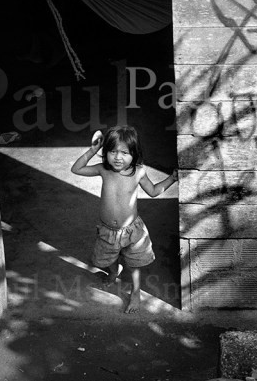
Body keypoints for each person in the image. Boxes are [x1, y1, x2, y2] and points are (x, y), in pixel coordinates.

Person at [71, 125, 178, 314]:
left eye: (124, 152)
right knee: (104, 259)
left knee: (135, 263)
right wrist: (93, 149)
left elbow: (153, 192)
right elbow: (76, 169)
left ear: (134, 154)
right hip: (107, 230)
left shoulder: (139, 172)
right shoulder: (104, 170)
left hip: (132, 230)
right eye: (112, 151)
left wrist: (172, 178)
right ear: (106, 152)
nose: (117, 157)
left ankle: (135, 293)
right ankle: (114, 271)